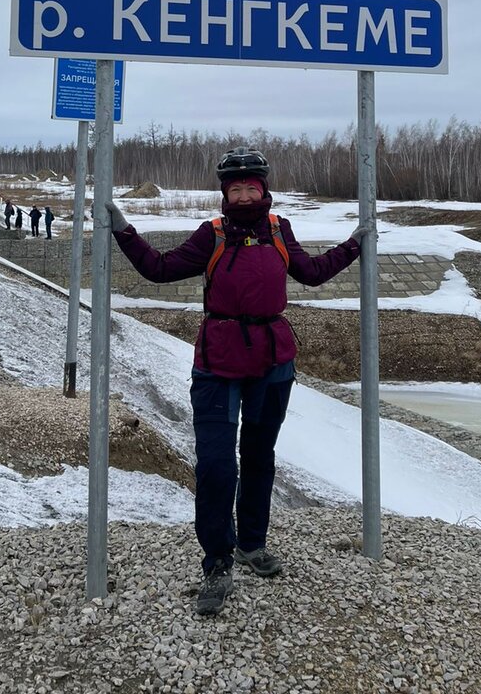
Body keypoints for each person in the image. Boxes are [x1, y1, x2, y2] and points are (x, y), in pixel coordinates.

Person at [106, 147, 368, 617]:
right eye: (236, 189)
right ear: (226, 193)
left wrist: (353, 245)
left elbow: (309, 274)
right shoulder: (213, 233)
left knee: (260, 457)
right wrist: (124, 231)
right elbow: (159, 270)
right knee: (216, 467)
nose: (245, 195)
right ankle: (217, 562)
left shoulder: (278, 229)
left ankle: (251, 543)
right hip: (218, 363)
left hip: (273, 362)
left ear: (264, 190)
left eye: (252, 187)